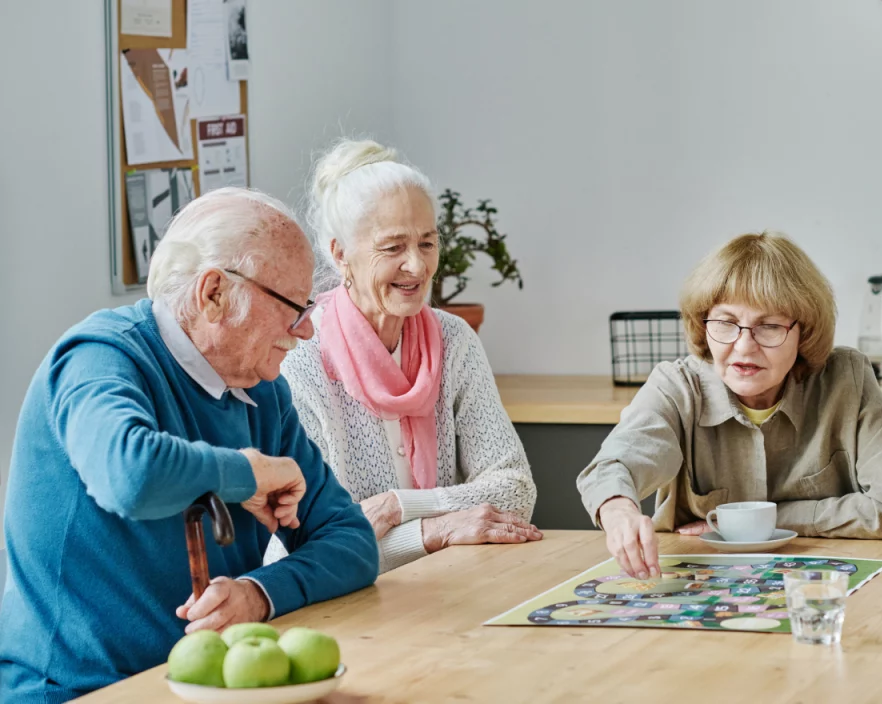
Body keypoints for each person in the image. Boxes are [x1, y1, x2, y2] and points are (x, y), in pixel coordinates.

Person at [0, 188, 378, 703]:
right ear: (214, 293)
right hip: (78, 691)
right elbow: (130, 475)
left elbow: (350, 540)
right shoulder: (99, 356)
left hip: (208, 686)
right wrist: (248, 473)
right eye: (294, 307)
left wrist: (258, 594)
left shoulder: (261, 391)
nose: (307, 331)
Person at [578, 231, 882, 579]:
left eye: (769, 326)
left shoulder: (847, 380)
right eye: (726, 323)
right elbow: (613, 466)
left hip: (821, 586)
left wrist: (757, 522)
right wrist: (618, 510)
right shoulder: (677, 387)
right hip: (703, 584)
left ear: (804, 333)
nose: (744, 346)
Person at [271, 138, 539, 574]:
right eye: (393, 247)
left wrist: (397, 506)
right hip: (345, 601)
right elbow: (302, 549)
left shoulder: (453, 340)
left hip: (450, 585)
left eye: (427, 243)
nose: (417, 266)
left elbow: (515, 490)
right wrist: (433, 532)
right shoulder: (299, 361)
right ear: (341, 254)